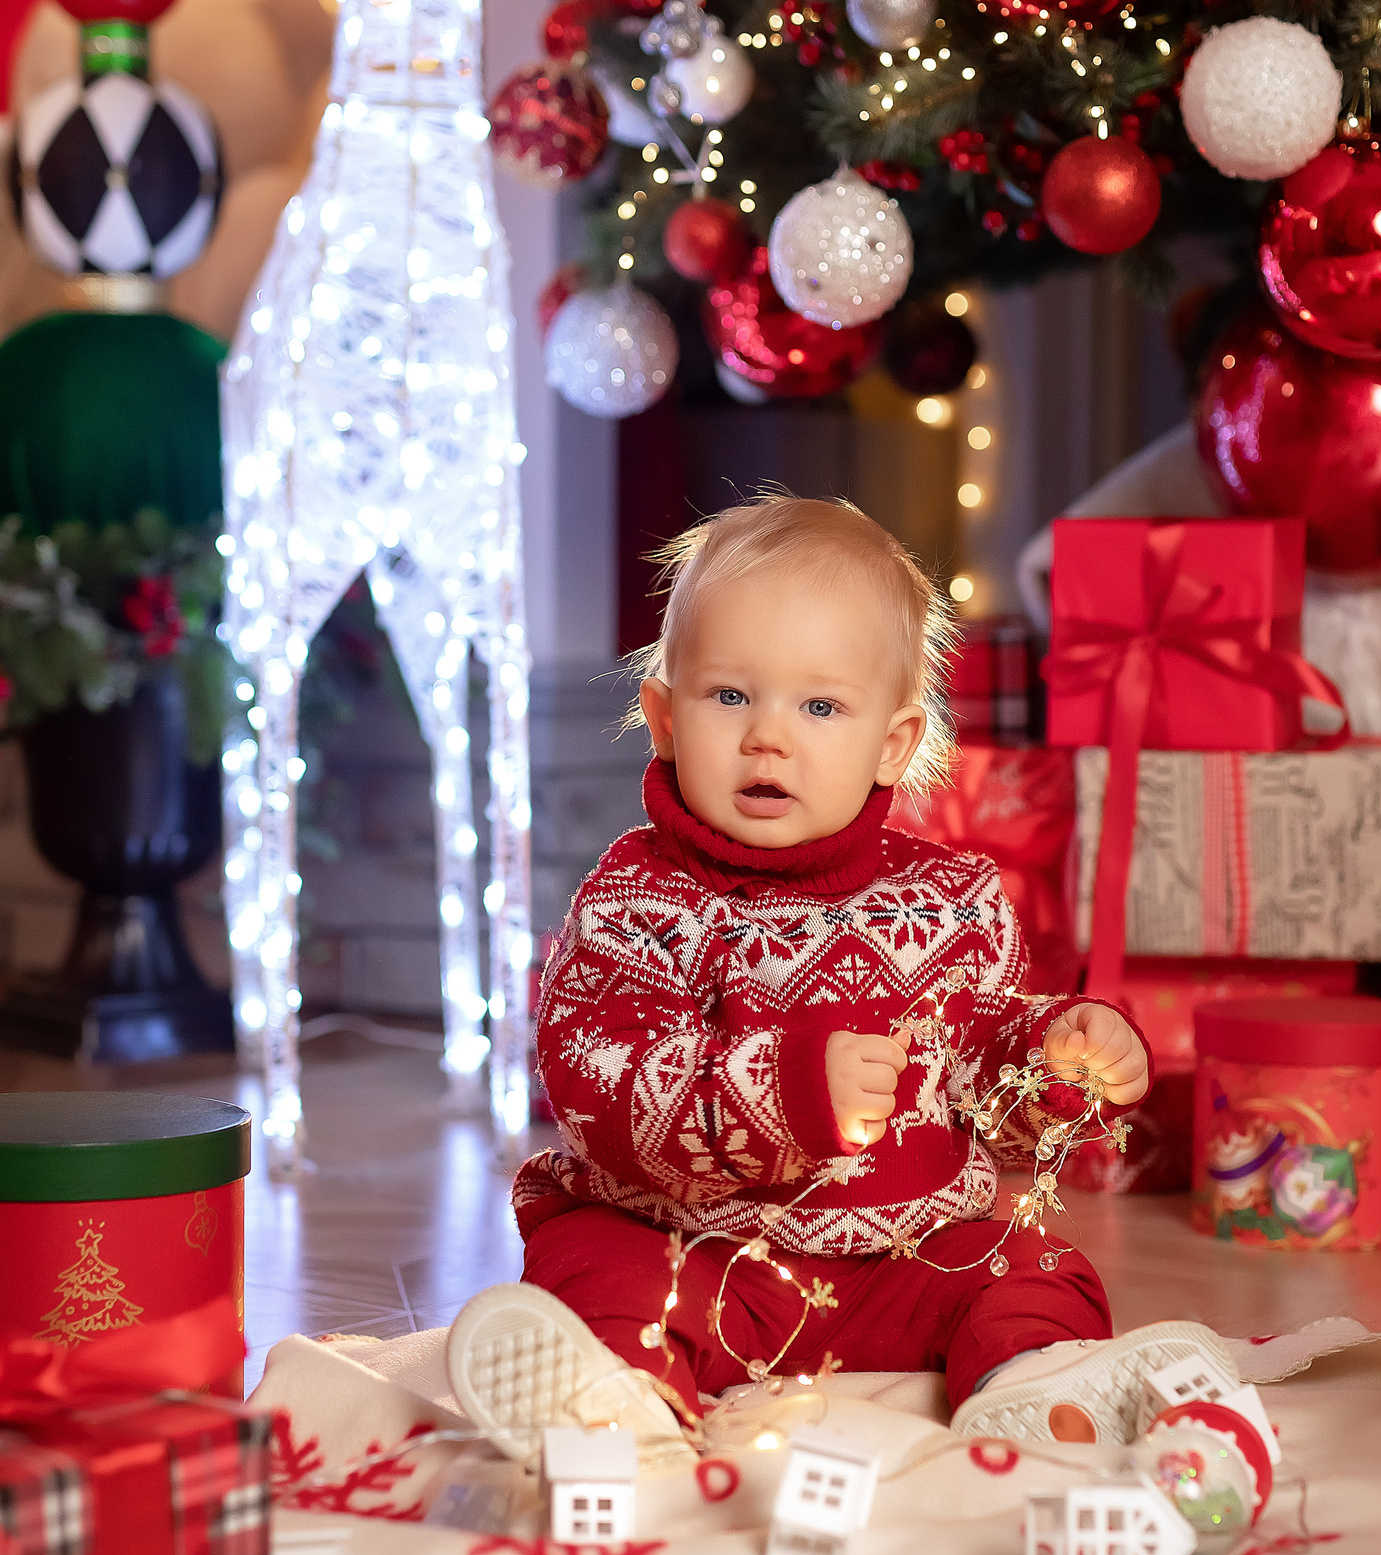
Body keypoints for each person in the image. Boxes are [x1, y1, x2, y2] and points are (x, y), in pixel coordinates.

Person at [445, 495, 1233, 1466]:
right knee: (593, 1259)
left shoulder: (948, 898)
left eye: (819, 706)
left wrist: (1058, 1061)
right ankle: (612, 1399)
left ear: (892, 744)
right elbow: (595, 1075)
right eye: (730, 696)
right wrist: (778, 1093)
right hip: (695, 1250)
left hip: (902, 1266)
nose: (768, 737)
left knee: (1031, 1262)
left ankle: (1034, 1383)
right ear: (662, 716)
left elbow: (986, 1069)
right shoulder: (638, 896)